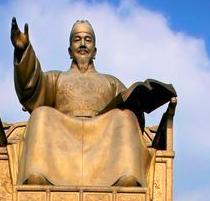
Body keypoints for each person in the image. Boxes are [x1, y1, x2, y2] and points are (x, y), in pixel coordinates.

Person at [10, 18, 175, 188]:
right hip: (63, 134)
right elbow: (32, 87)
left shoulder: (111, 82)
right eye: (77, 40)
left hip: (102, 136)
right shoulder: (56, 78)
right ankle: (39, 174)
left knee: (125, 117)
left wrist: (136, 106)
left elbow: (133, 117)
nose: (82, 44)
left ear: (94, 51)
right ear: (69, 50)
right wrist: (23, 51)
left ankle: (125, 175)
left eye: (87, 40)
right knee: (41, 113)